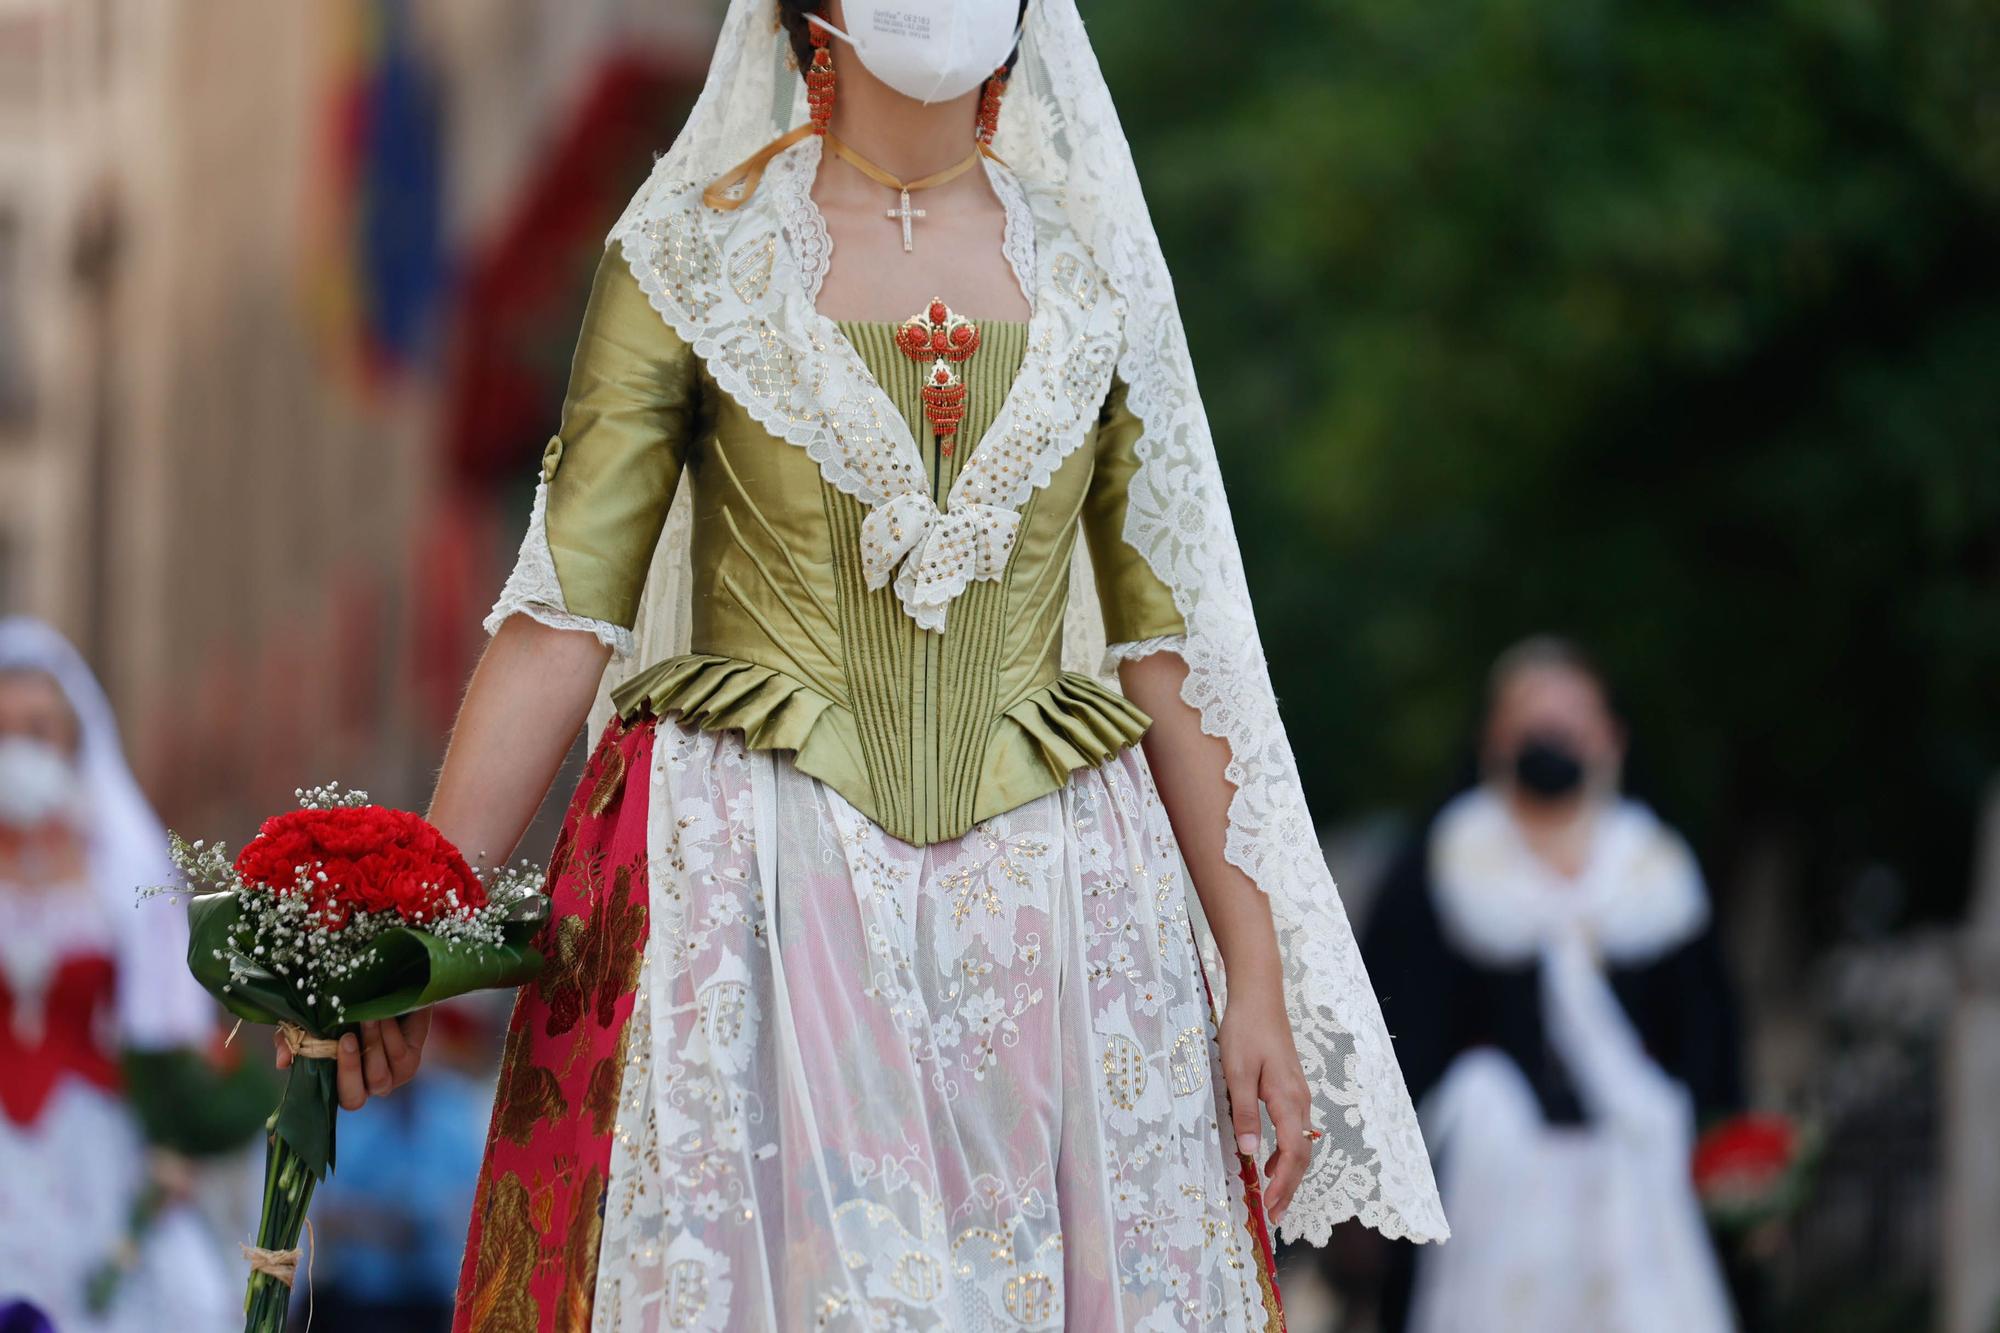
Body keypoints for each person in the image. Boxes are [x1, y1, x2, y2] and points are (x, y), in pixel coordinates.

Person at [299, 1, 1448, 1326]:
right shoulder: (691, 256)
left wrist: (1256, 972)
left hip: (1061, 917)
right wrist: (409, 926)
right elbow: (562, 621)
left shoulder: (1092, 268)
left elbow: (1168, 649)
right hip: (748, 897)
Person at [1361, 636, 1742, 1332]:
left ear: (1610, 739)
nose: (1553, 739)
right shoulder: (1441, 867)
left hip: (1640, 1182)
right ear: (1493, 740)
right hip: (1483, 1190)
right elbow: (1392, 1031)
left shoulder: (1658, 874)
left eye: (1571, 722)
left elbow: (1709, 1033)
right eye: (1532, 723)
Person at [0, 618, 235, 1332]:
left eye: (37, 728)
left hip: (95, 1135)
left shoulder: (120, 862)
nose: (20, 748)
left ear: (72, 737)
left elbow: (169, 1021)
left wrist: (176, 1137)